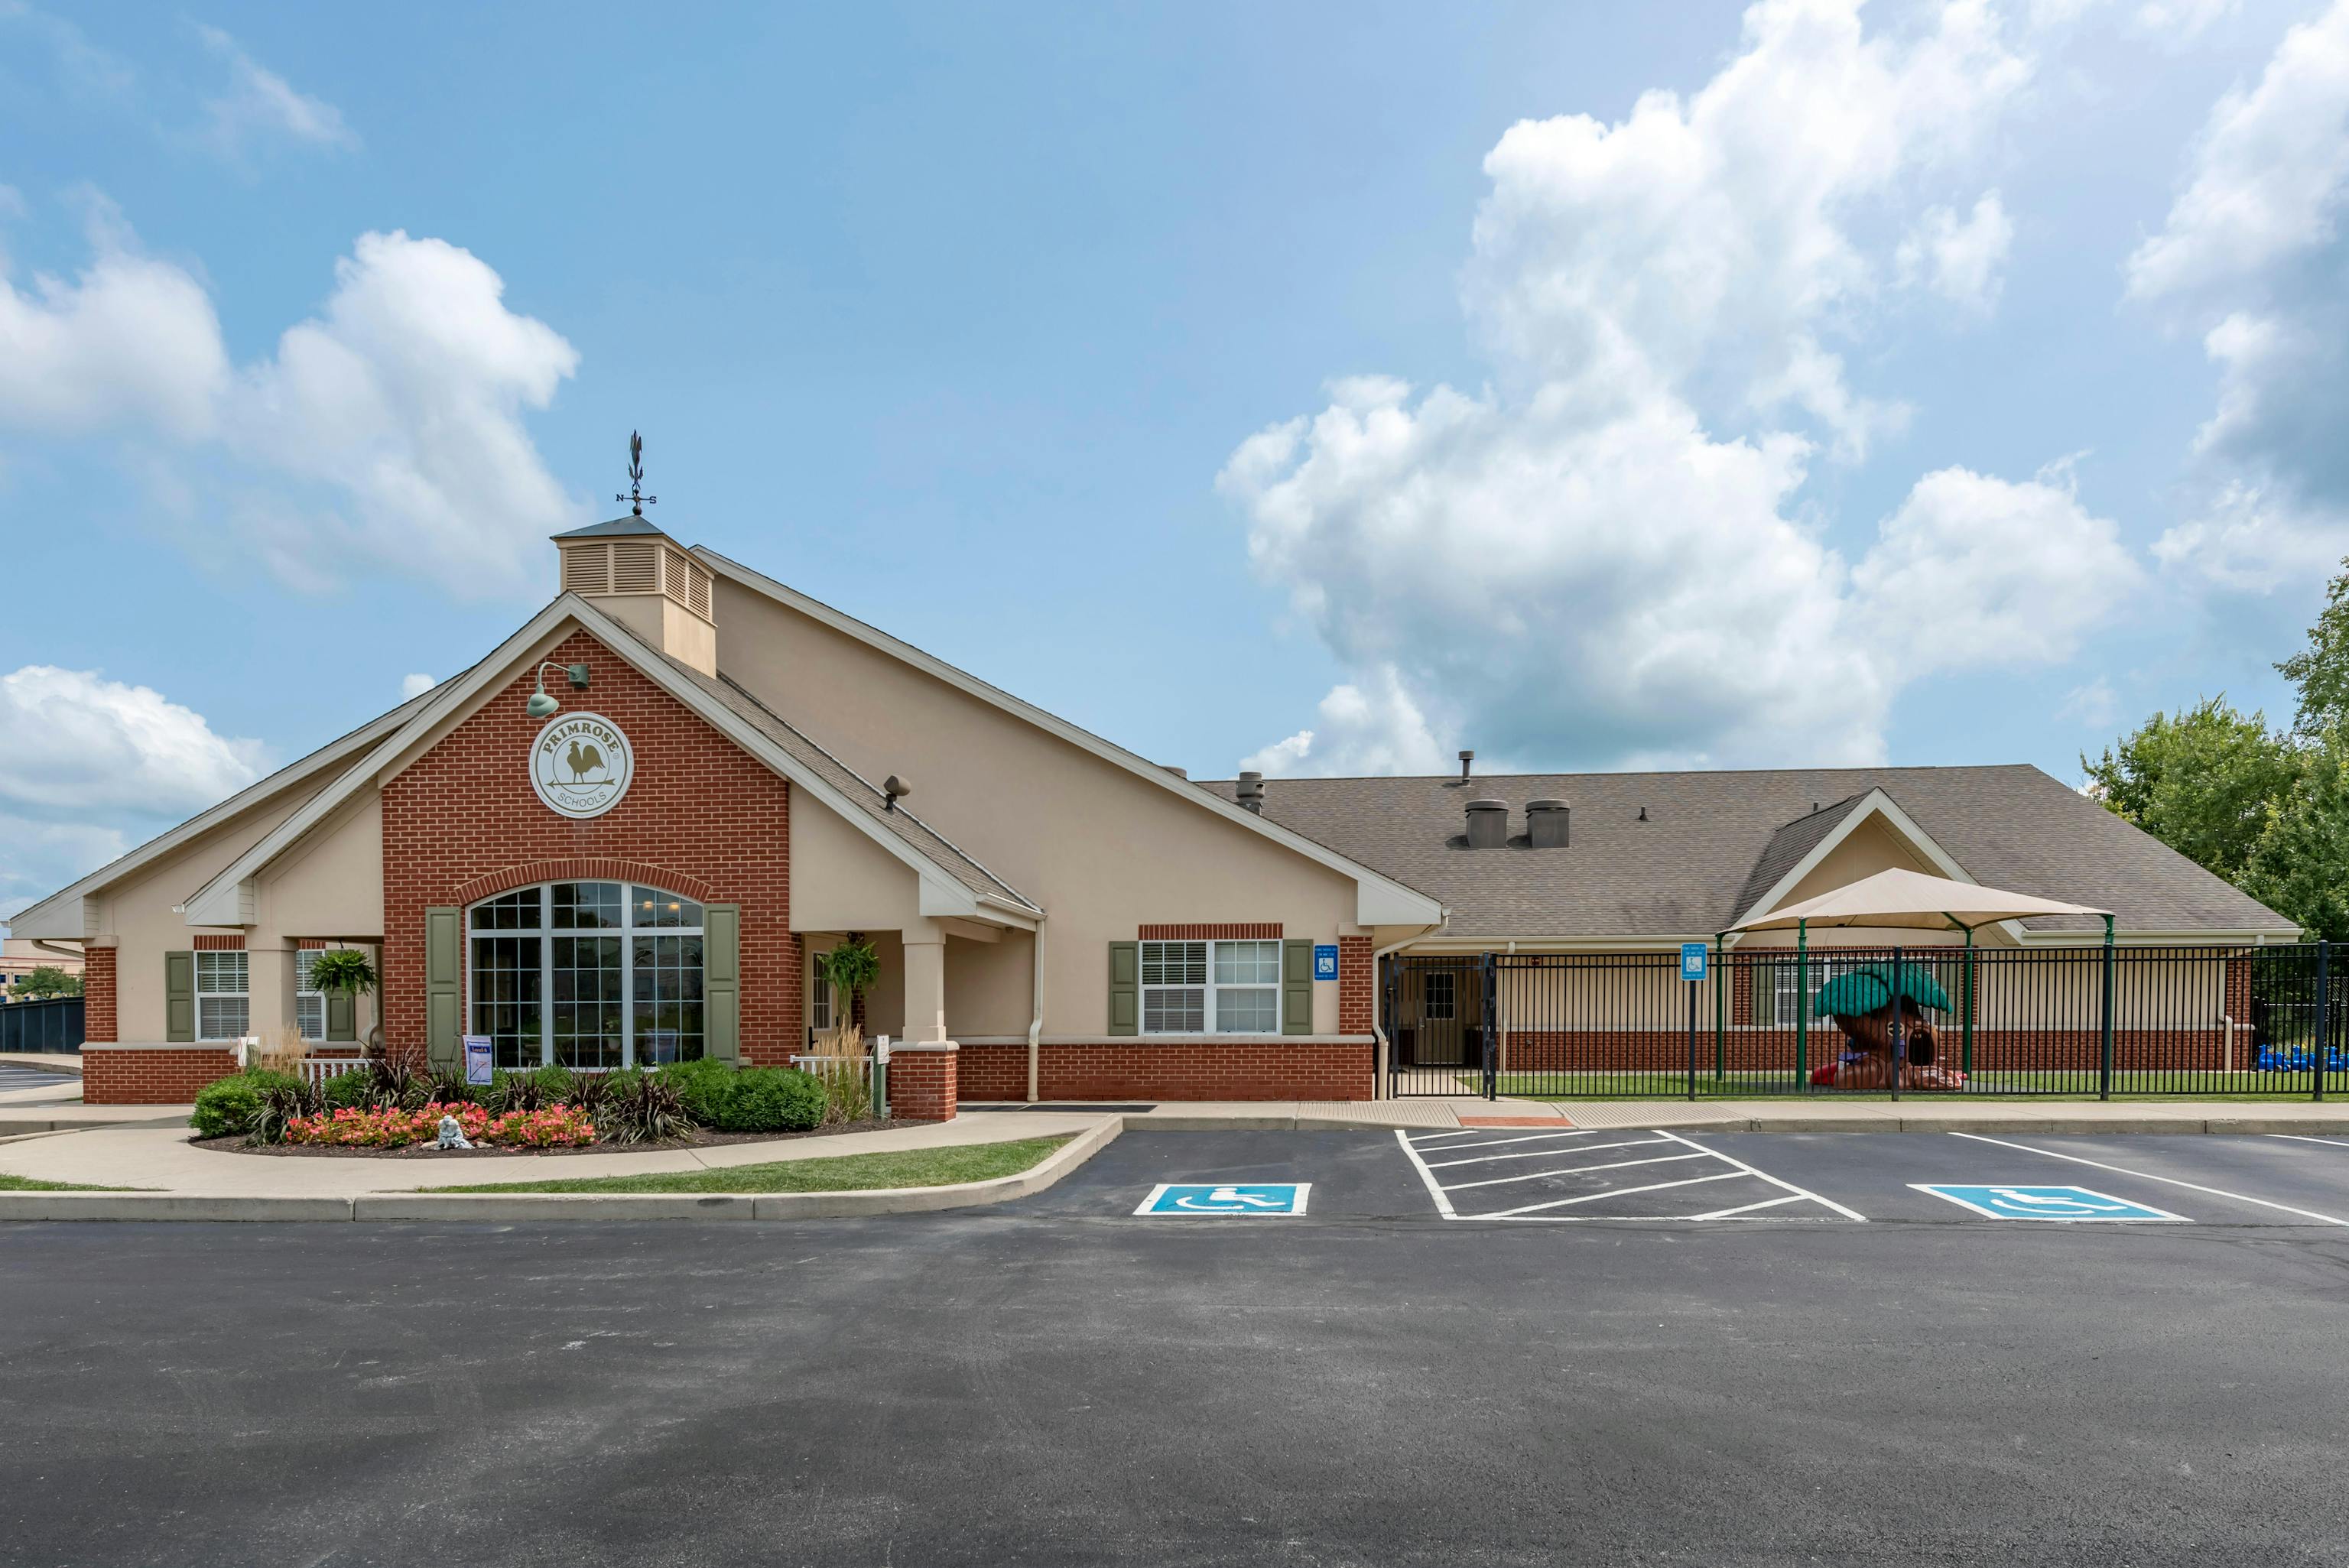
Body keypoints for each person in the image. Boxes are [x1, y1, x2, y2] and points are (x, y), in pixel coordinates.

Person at [1808, 995, 1966, 1090]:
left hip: (1893, 1062)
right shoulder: (1875, 1034)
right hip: (1873, 1059)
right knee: (1820, 1075)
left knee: (1824, 1074)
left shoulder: (1916, 1027)